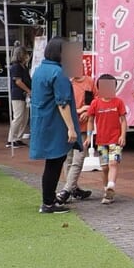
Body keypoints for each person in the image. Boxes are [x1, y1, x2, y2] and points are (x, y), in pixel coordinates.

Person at [30, 36, 82, 214]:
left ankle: (50, 200)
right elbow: (63, 102)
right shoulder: (58, 73)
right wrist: (71, 127)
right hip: (55, 123)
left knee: (53, 161)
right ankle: (48, 203)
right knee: (55, 161)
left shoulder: (40, 70)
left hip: (42, 121)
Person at [54, 65, 94, 204]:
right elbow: (62, 104)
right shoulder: (66, 82)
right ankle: (71, 188)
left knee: (78, 159)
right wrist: (80, 110)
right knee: (69, 159)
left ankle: (67, 190)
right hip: (67, 126)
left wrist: (87, 111)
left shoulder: (90, 82)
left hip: (82, 128)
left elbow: (94, 102)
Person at [86, 74, 127, 205]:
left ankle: (111, 186)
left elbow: (123, 120)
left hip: (115, 140)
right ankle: (107, 191)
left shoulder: (119, 102)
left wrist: (123, 135)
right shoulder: (95, 103)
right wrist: (88, 136)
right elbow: (90, 120)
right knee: (104, 168)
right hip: (101, 141)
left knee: (113, 163)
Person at [6, 44, 32, 146]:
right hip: (18, 94)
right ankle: (11, 138)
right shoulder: (16, 67)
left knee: (24, 117)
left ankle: (18, 137)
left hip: (24, 94)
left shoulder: (23, 67)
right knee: (18, 116)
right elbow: (18, 81)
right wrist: (29, 90)